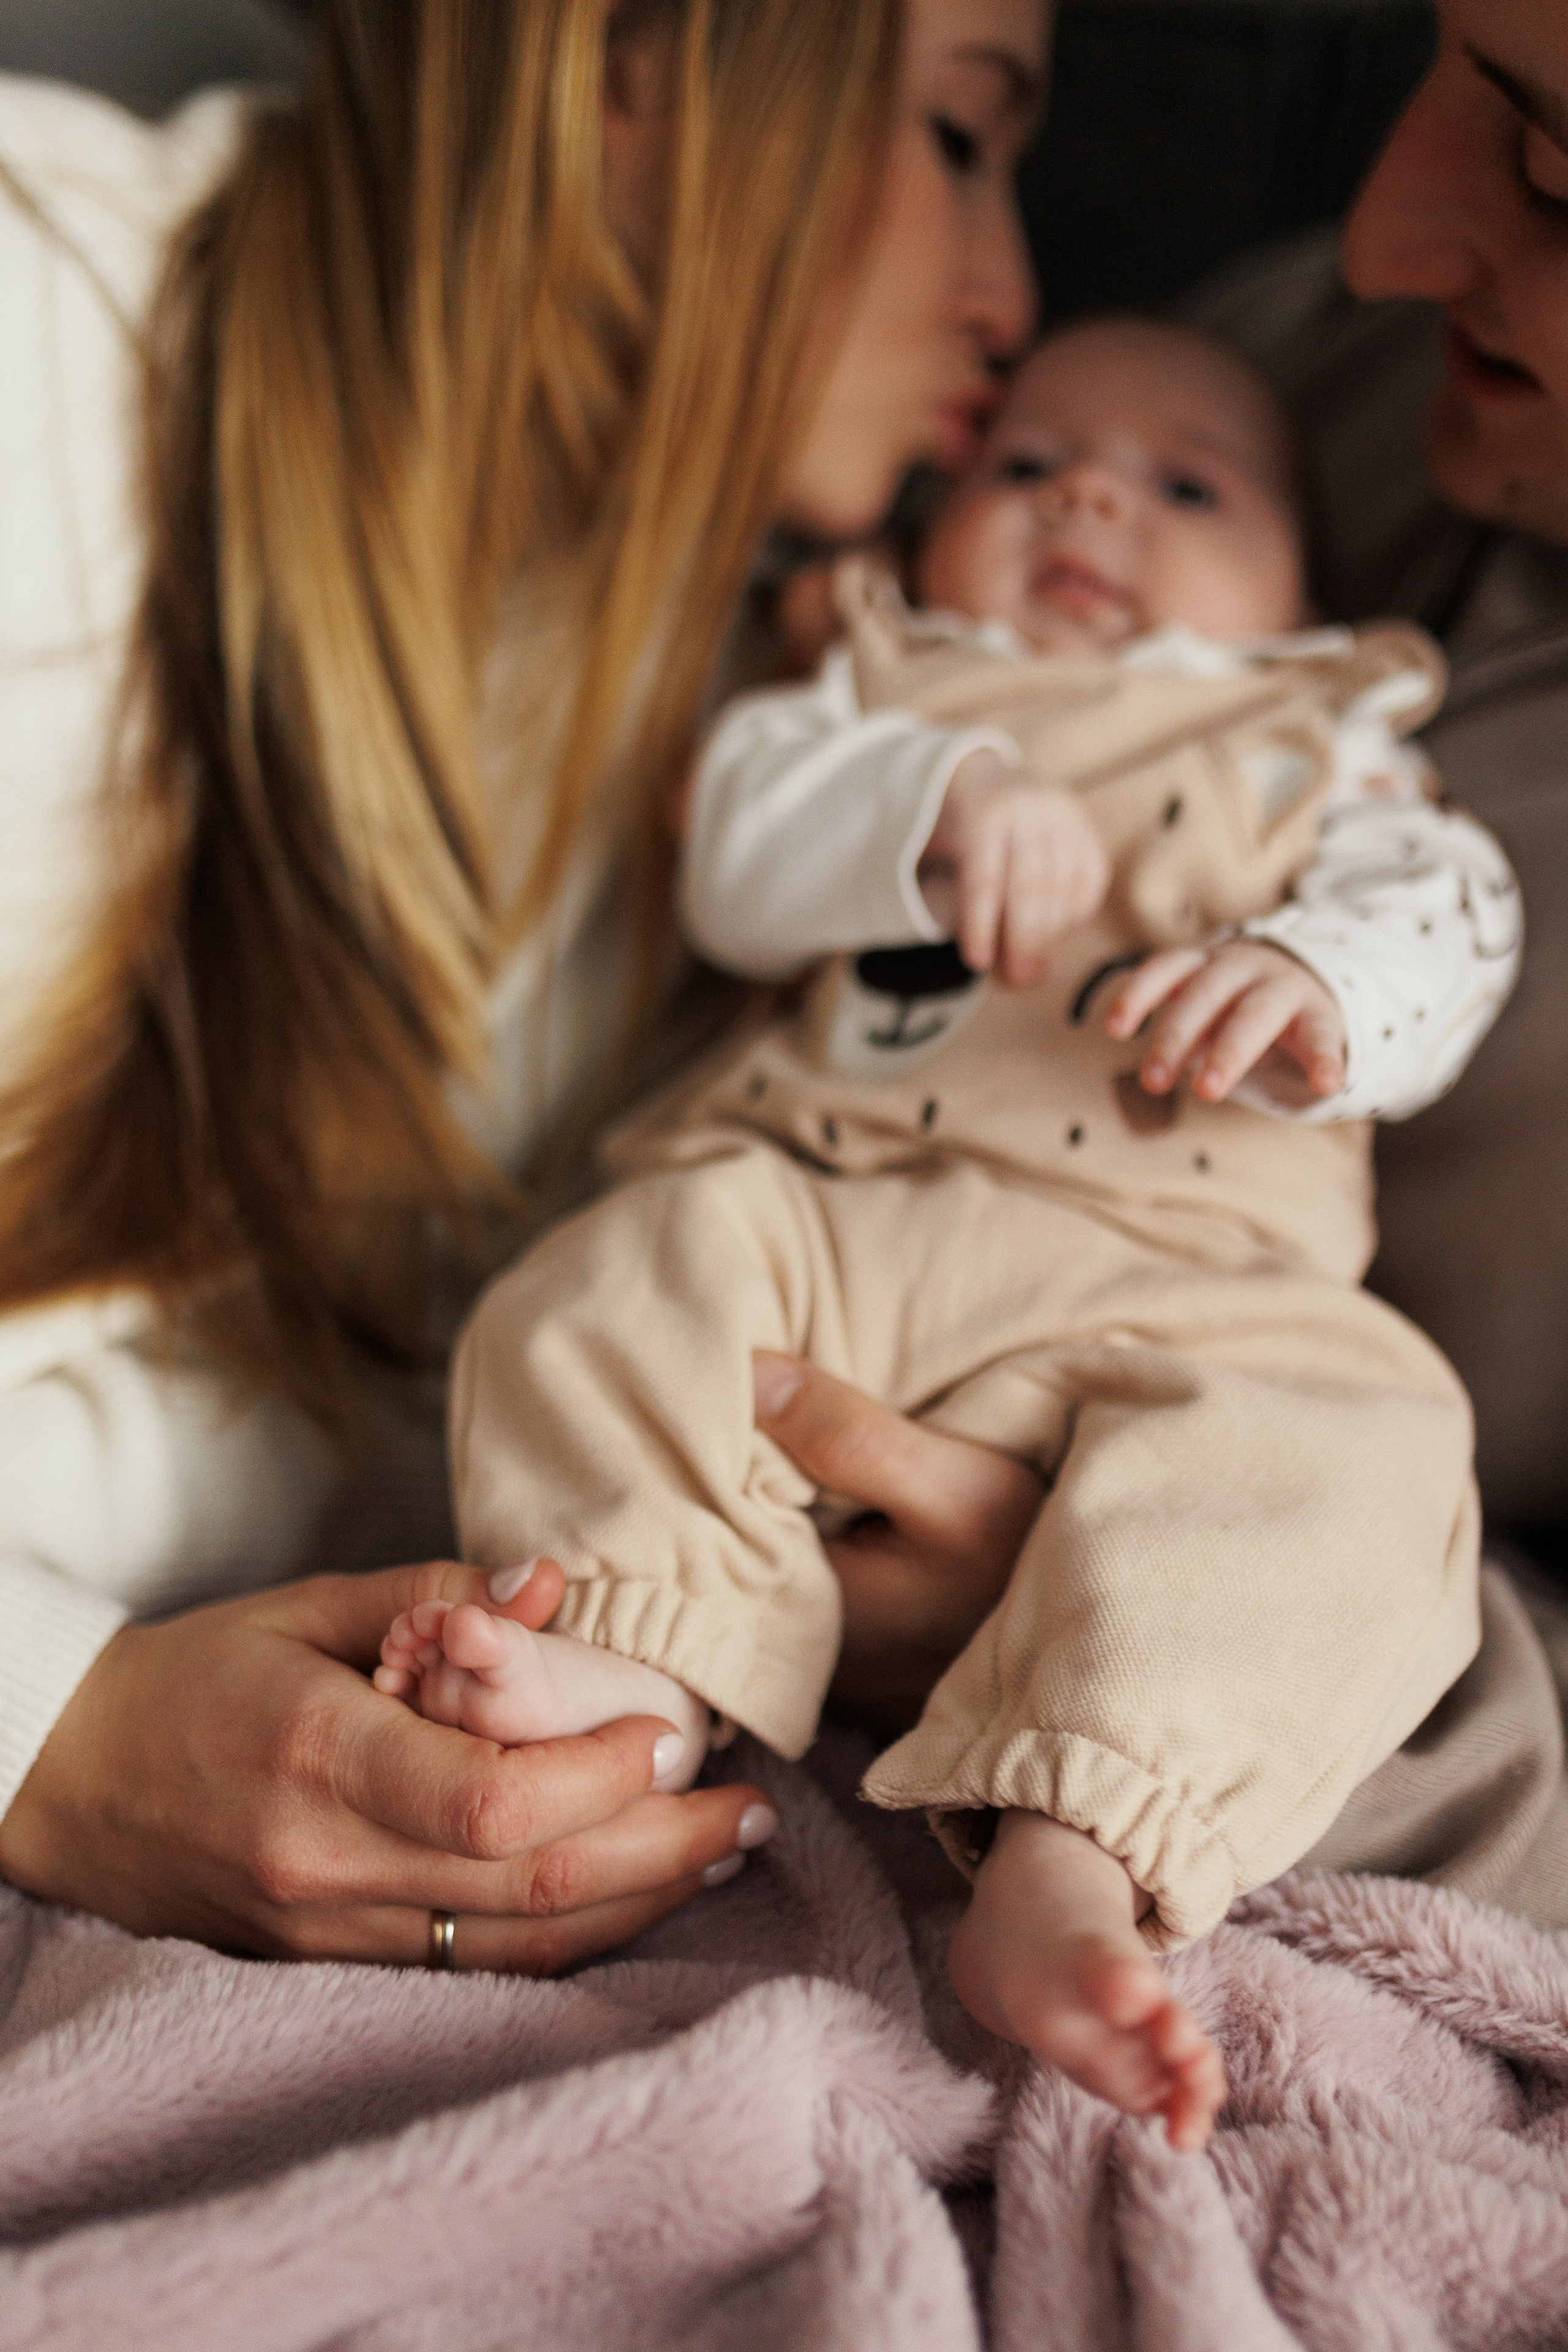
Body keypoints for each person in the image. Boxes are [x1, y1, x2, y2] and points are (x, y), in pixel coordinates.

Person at [377, 317, 1518, 2149]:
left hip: (1191, 1285)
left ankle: (1080, 1848)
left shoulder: (1331, 741)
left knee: (1373, 1442)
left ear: (1304, 585)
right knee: (619, 1272)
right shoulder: (885, 691)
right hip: (844, 1217)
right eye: (1022, 460)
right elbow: (740, 854)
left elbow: (1456, 921)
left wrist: (1319, 975)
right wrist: (934, 800)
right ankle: (646, 1660)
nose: (1085, 492)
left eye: (1187, 483)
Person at [0, 0, 1057, 1970]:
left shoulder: (714, 741)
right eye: (960, 137)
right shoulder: (34, 329)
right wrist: (49, 1730)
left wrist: (822, 1517)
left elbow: (329, 1398)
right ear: (634, 58)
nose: (1015, 293)